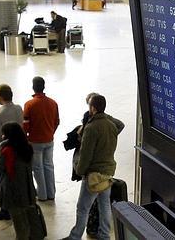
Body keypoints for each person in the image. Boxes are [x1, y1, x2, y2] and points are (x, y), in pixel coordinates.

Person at [62, 95, 119, 240]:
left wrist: (80, 171)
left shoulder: (91, 128)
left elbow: (86, 155)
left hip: (93, 176)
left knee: (82, 208)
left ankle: (75, 236)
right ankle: (104, 235)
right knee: (104, 205)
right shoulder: (112, 125)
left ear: (92, 108)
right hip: (108, 173)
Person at [0, 122, 39, 240]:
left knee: (19, 225)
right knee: (28, 220)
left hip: (13, 191)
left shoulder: (7, 150)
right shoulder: (27, 147)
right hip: (27, 189)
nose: (2, 136)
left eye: (4, 134)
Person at [0, 84, 23, 221]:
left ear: (0, 97)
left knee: (3, 181)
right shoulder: (19, 108)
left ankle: (5, 210)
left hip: (5, 150)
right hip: (19, 148)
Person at [23, 76, 59, 201]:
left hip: (35, 141)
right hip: (49, 139)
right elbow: (57, 121)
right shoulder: (53, 103)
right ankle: (51, 193)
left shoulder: (29, 104)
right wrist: (51, 132)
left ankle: (42, 194)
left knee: (37, 168)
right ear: (44, 86)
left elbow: (26, 125)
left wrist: (27, 135)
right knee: (49, 166)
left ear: (33, 87)